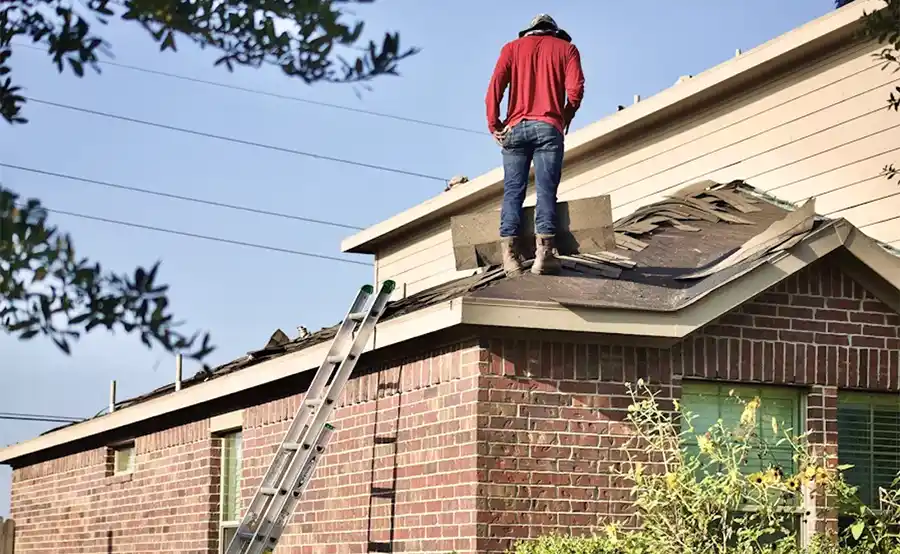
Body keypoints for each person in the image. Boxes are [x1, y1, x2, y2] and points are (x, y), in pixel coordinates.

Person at [485, 13, 585, 276]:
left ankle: (509, 257)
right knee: (545, 191)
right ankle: (544, 255)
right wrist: (563, 117)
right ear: (554, 31)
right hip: (548, 127)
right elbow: (575, 91)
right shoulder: (567, 49)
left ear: (529, 31)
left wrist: (494, 124)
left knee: (513, 192)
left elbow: (495, 87)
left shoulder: (511, 49)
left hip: (515, 129)